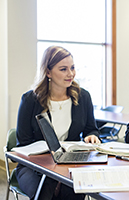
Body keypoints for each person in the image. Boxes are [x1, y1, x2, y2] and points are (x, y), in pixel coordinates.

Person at [15, 46, 101, 200]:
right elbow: (23, 143)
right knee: (45, 190)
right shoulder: (30, 100)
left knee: (73, 191)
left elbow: (91, 130)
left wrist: (92, 137)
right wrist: (48, 155)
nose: (71, 74)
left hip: (70, 163)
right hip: (34, 166)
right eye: (63, 69)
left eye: (72, 68)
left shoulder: (83, 97)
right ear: (48, 72)